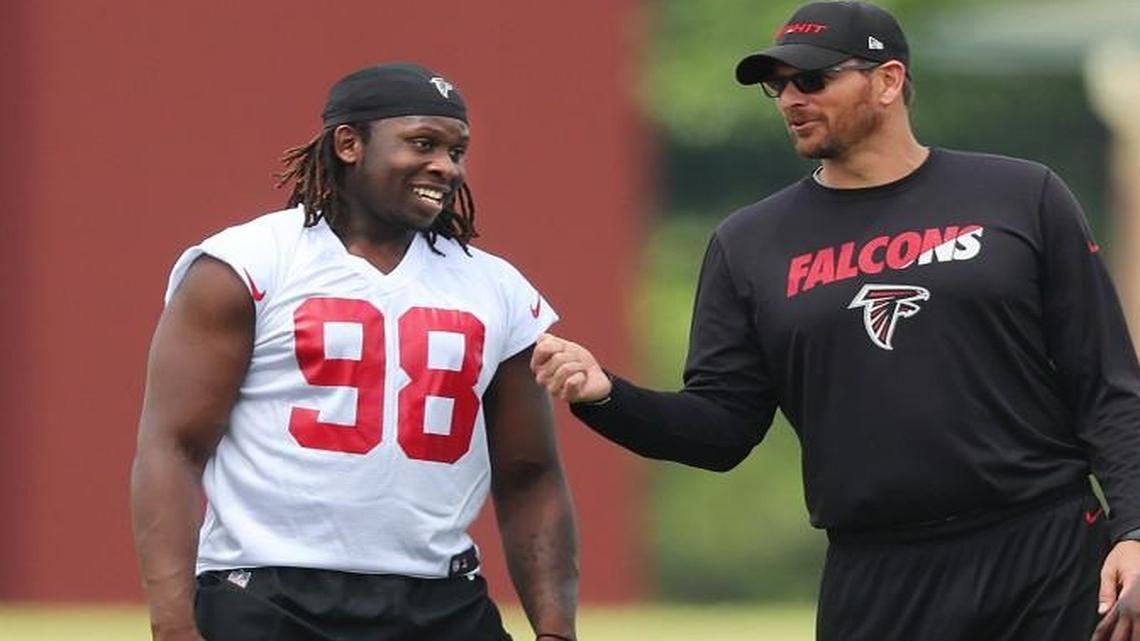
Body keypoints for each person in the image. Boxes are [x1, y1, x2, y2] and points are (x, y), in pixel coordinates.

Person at [531, 2, 1140, 639]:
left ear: (888, 80)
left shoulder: (1023, 196)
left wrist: (1132, 527)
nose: (791, 98)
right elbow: (719, 431)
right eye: (779, 84)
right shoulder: (749, 243)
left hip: (1044, 551)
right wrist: (606, 395)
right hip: (877, 571)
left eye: (813, 80)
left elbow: (1104, 383)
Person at [131, 63, 578, 641]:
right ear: (349, 143)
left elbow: (530, 475)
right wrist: (173, 626)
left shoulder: (496, 287)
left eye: (457, 150)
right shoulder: (246, 264)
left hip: (440, 602)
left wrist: (556, 630)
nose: (445, 166)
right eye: (423, 143)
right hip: (270, 596)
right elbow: (173, 447)